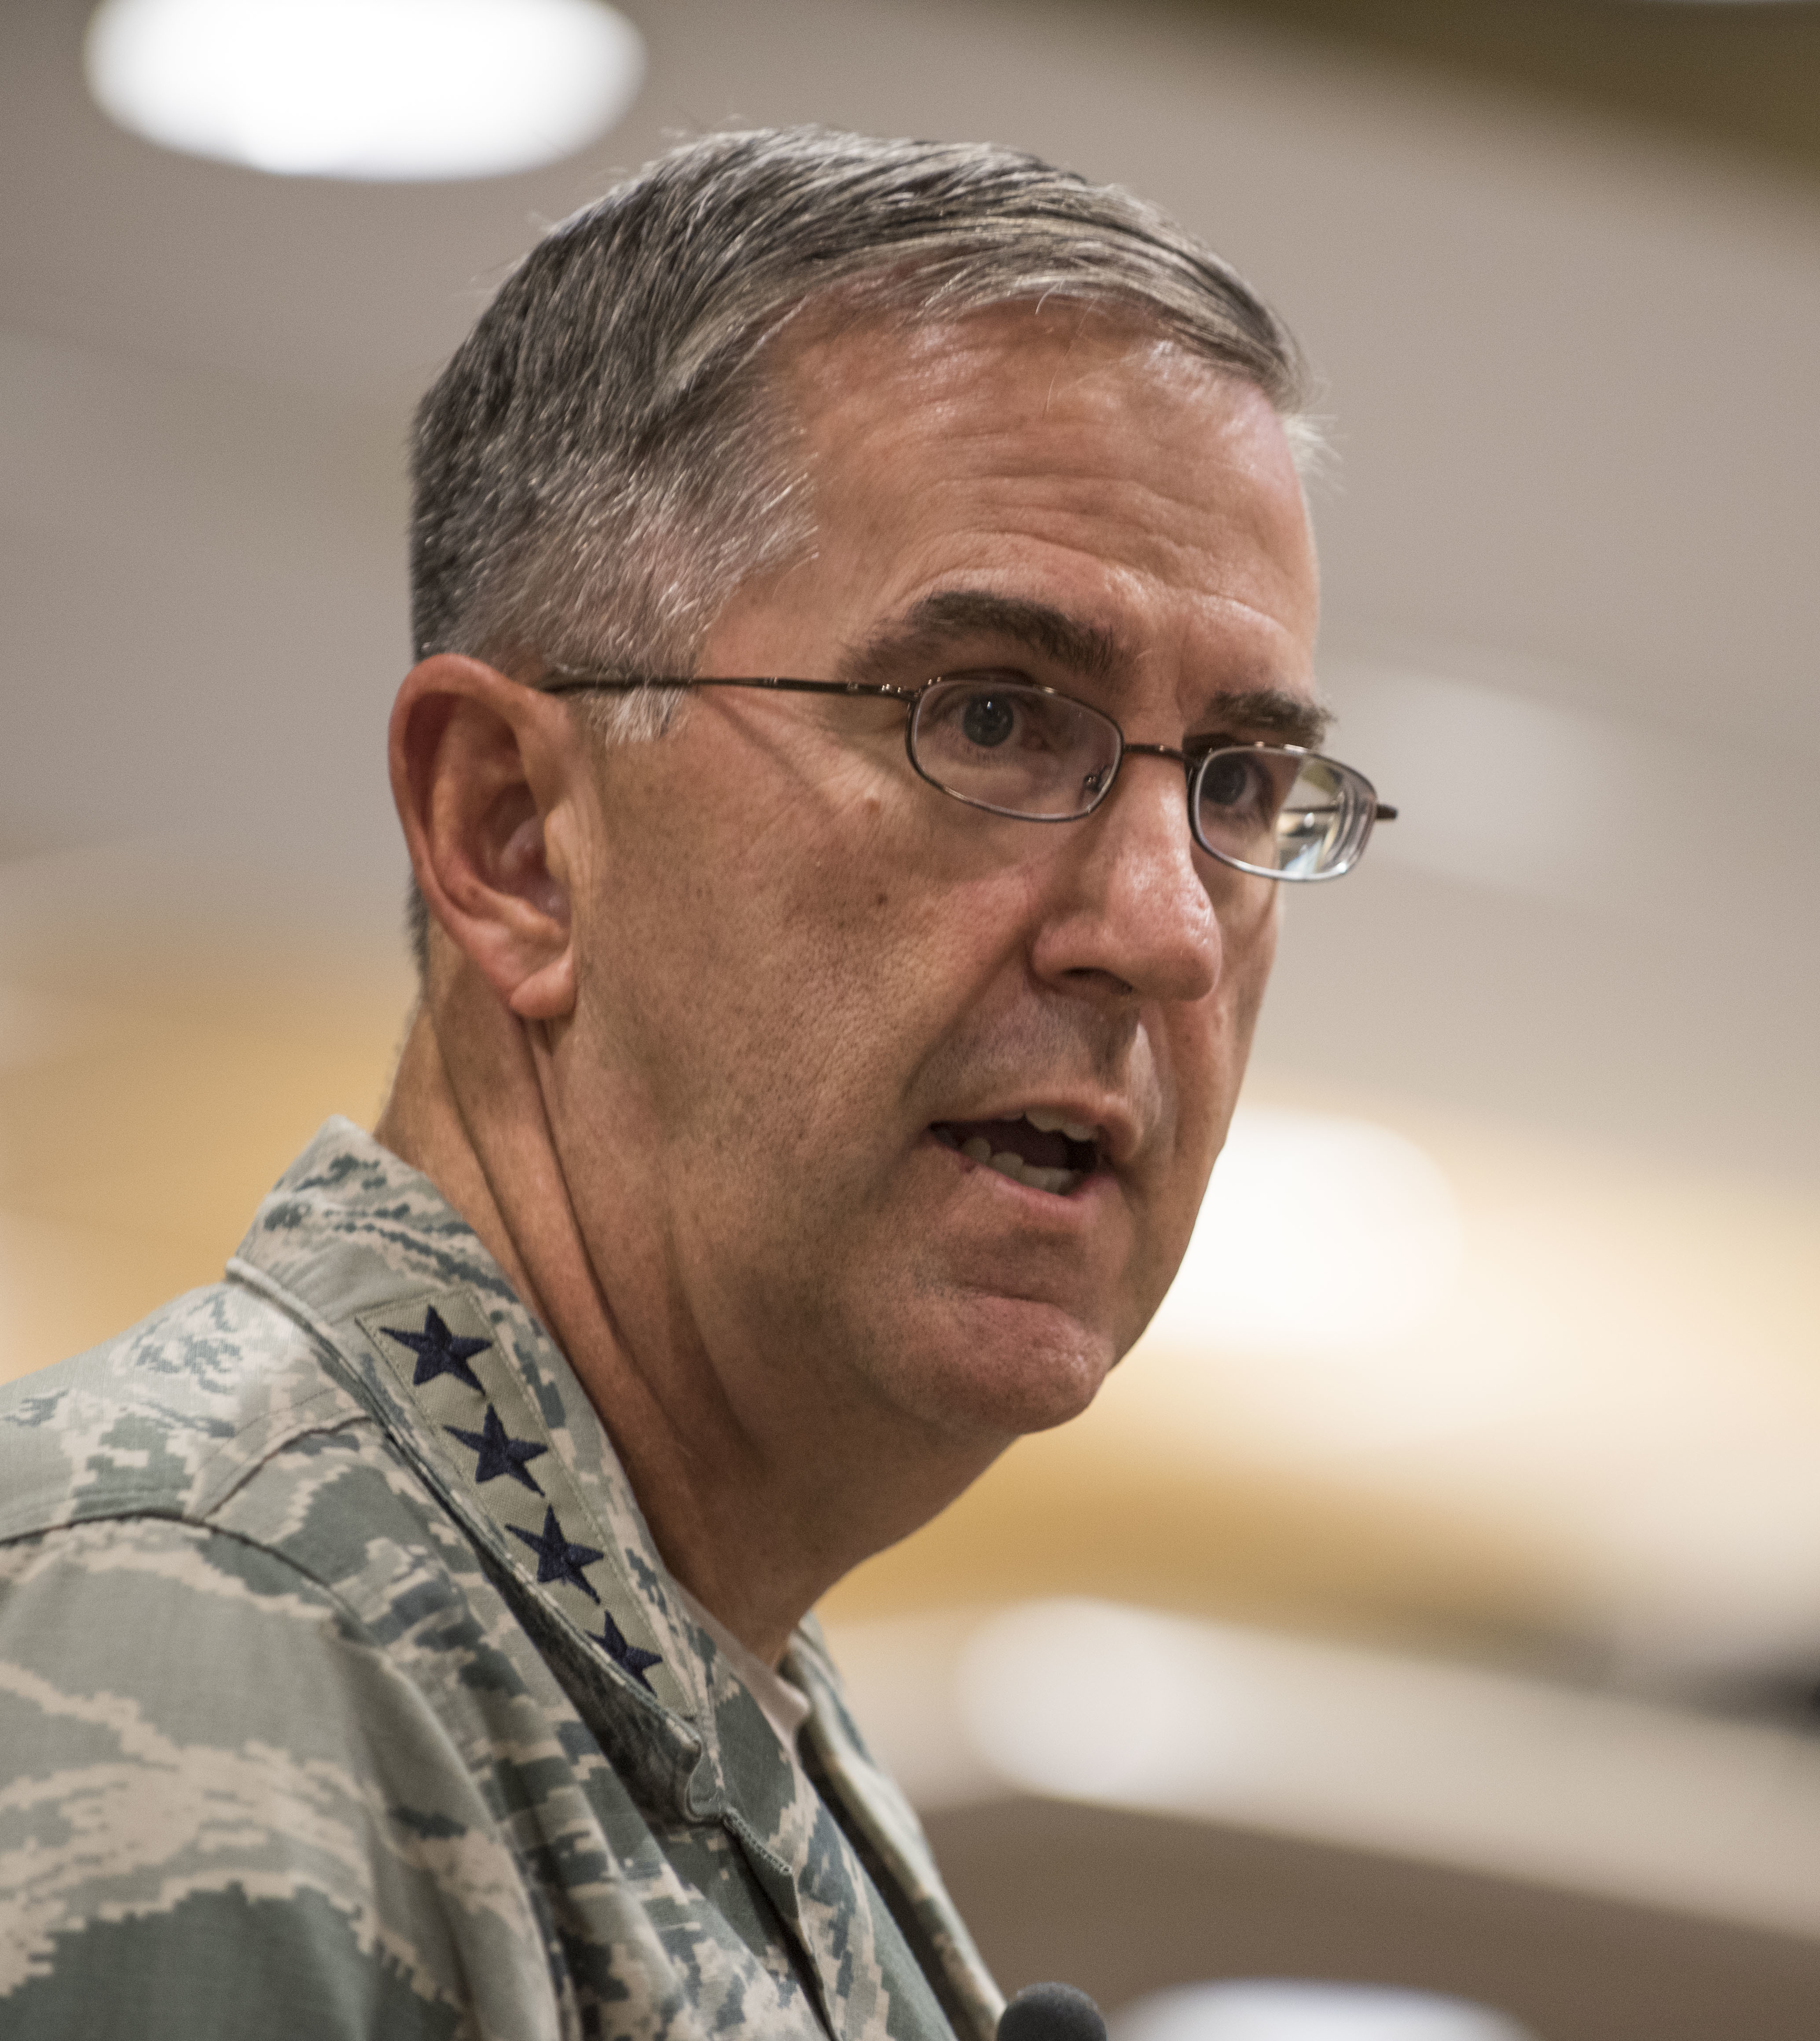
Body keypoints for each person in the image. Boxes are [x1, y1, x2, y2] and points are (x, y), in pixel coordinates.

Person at [0, 128, 1388, 2039]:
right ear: (511, 836)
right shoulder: (194, 1647)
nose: (1158, 924)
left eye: (1233, 780)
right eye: (987, 715)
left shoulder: (719, 1734)